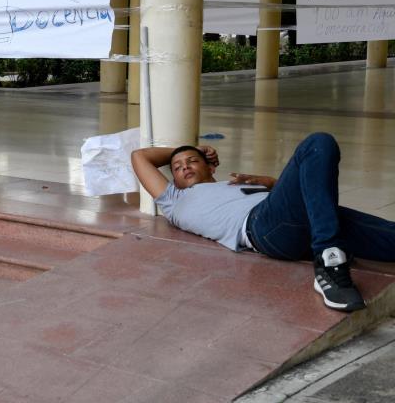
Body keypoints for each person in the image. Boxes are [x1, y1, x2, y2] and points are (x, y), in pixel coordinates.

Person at [131, 132, 395, 312]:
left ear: (211, 167)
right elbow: (139, 157)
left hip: (306, 221)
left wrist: (272, 184)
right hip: (263, 228)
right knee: (318, 143)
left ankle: (329, 248)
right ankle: (329, 261)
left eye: (192, 161)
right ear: (174, 180)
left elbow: (312, 189)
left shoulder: (235, 183)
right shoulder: (174, 201)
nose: (185, 167)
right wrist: (193, 149)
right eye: (177, 167)